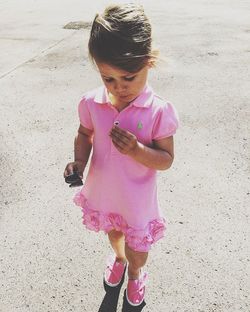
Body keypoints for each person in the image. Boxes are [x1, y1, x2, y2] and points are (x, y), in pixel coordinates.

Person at [64, 3, 179, 310]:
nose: (119, 87)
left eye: (128, 77)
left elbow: (166, 159)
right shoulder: (91, 102)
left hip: (137, 198)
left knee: (138, 246)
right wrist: (79, 162)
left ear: (149, 61)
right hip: (107, 193)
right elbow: (84, 133)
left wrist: (137, 150)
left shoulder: (158, 111)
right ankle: (118, 258)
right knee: (114, 232)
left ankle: (137, 272)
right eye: (108, 78)